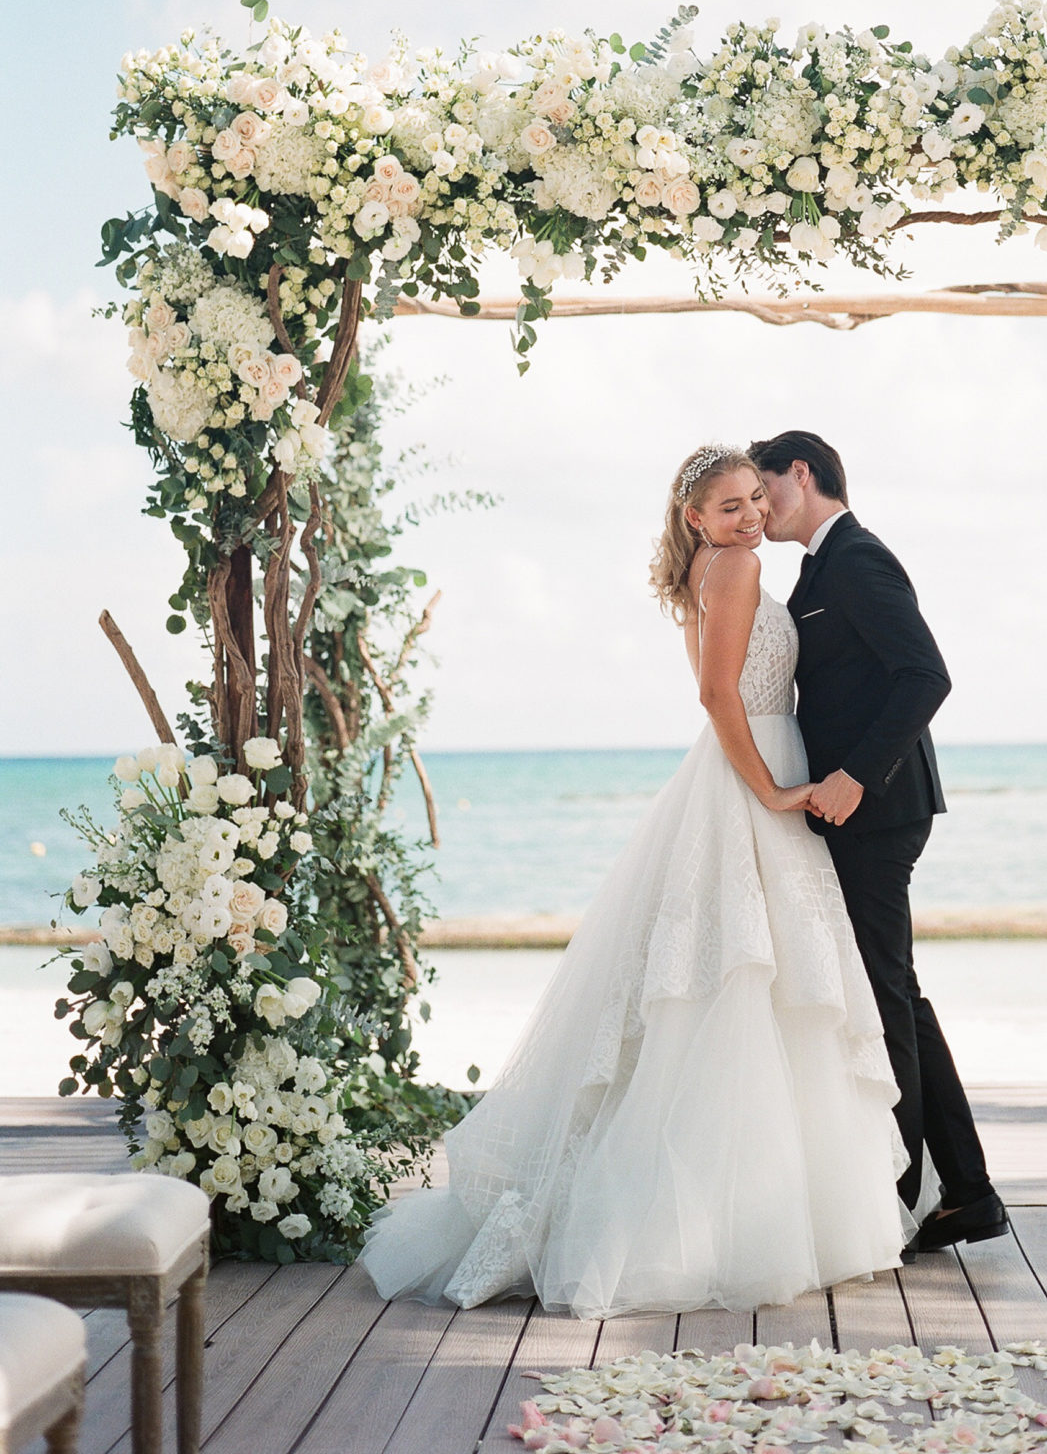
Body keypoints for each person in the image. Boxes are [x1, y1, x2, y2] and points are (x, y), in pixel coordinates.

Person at [360, 444, 906, 1318]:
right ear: (696, 518)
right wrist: (768, 790)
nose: (749, 516)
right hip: (753, 767)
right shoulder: (735, 567)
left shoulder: (710, 566)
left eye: (750, 502)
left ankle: (757, 1211)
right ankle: (728, 1227)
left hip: (754, 762)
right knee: (747, 982)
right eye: (728, 506)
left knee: (754, 983)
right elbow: (718, 696)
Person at [748, 430, 1008, 1254]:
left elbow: (925, 674)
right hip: (850, 811)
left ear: (802, 472)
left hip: (882, 811)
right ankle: (965, 1191)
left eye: (766, 492)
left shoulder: (857, 558)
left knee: (884, 994)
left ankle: (895, 1191)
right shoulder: (816, 568)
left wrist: (857, 774)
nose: (761, 510)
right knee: (895, 990)